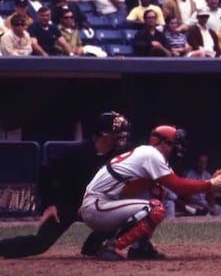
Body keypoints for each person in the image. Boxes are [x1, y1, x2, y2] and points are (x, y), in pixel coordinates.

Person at [79, 125, 221, 260]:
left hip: (102, 205)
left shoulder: (149, 154)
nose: (178, 148)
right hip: (97, 207)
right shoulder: (151, 155)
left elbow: (171, 186)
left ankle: (140, 246)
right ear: (164, 143)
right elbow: (179, 186)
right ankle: (111, 246)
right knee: (155, 209)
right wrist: (210, 184)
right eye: (175, 144)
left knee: (157, 191)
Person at [0, 111, 130, 259]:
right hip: (67, 204)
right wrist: (49, 205)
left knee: (126, 213)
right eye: (118, 133)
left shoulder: (118, 156)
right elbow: (45, 172)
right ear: (103, 133)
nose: (123, 137)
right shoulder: (75, 152)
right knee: (40, 244)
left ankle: (93, 246)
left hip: (94, 204)